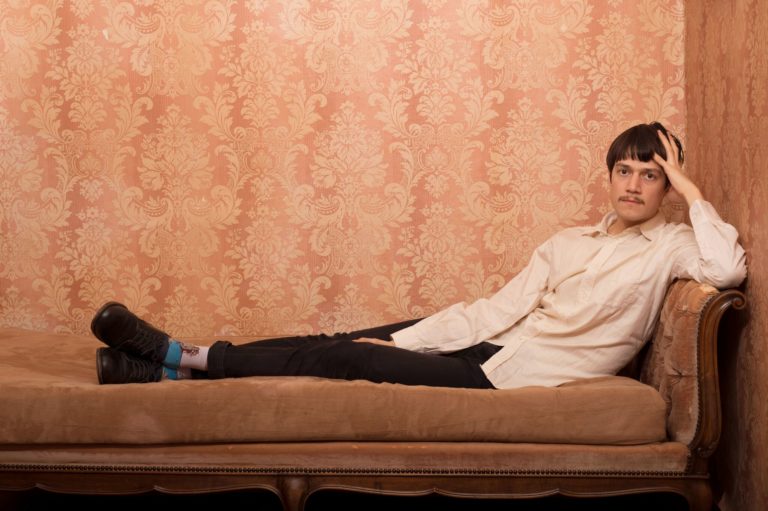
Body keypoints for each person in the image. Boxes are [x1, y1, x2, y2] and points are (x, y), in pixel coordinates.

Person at [91, 122, 747, 389]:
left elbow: (726, 269)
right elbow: (500, 308)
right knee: (340, 340)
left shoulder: (673, 247)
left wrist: (689, 188)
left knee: (349, 359)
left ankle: (180, 356)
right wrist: (420, 337)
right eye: (624, 170)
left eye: (650, 174)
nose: (633, 184)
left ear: (665, 186)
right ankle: (174, 366)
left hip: (510, 377)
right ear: (609, 176)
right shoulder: (569, 242)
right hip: (481, 339)